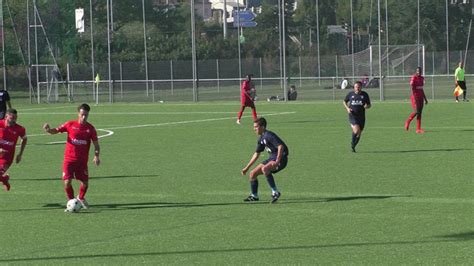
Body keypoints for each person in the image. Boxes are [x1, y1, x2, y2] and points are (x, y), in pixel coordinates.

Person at [43, 103, 100, 211]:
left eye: (86, 115)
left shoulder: (90, 129)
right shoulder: (70, 124)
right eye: (82, 114)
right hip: (69, 160)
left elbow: (96, 144)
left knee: (85, 184)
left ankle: (80, 198)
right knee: (67, 182)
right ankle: (71, 201)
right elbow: (55, 130)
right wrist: (48, 130)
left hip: (82, 161)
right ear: (78, 113)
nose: (84, 117)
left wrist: (96, 156)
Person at [241, 117, 289, 203]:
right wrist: (247, 168)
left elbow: (280, 146)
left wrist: (277, 161)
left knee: (265, 169)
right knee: (252, 174)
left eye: (256, 127)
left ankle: (275, 192)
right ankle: (254, 196)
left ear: (262, 127)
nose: (254, 129)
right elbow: (257, 154)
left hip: (281, 159)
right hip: (272, 158)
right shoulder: (261, 138)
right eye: (254, 127)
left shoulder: (269, 135)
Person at [0, 109, 27, 191]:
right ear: (6, 117)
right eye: (12, 118)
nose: (14, 120)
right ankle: (4, 179)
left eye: (15, 118)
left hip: (7, 158)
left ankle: (4, 179)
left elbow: (24, 139)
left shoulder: (20, 129)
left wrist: (20, 154)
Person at [343, 81, 371, 152]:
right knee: (356, 130)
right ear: (354, 87)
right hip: (353, 115)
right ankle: (352, 143)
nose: (357, 88)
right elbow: (344, 101)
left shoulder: (364, 95)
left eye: (358, 87)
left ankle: (354, 146)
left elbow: (369, 105)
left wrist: (367, 106)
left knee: (359, 134)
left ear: (361, 87)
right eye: (356, 87)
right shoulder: (350, 94)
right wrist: (347, 108)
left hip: (361, 116)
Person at [404, 66, 428, 134]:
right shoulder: (414, 78)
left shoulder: (422, 78)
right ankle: (408, 121)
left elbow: (421, 89)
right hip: (415, 97)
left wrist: (425, 99)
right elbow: (412, 87)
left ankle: (418, 129)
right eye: (417, 71)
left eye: (420, 71)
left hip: (420, 98)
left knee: (420, 113)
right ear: (416, 71)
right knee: (417, 111)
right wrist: (415, 97)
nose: (419, 72)